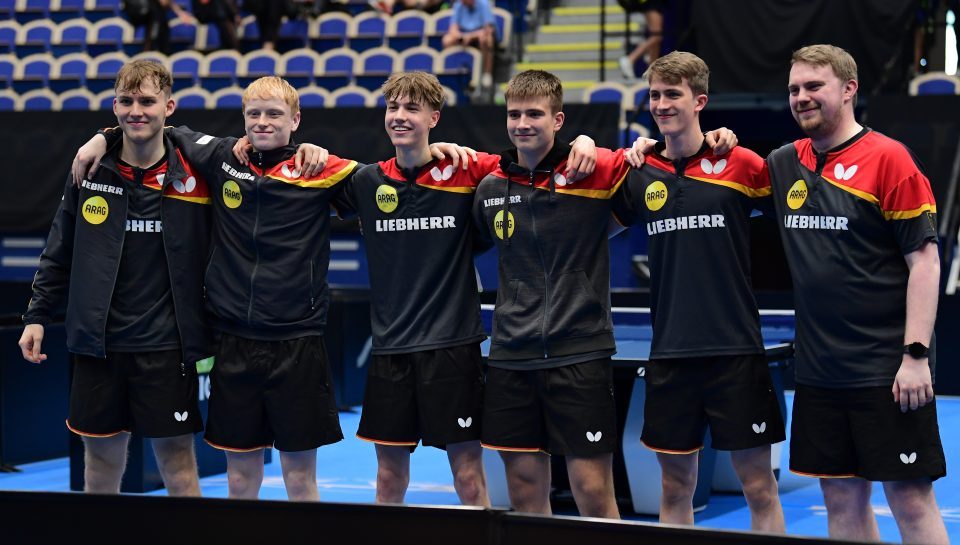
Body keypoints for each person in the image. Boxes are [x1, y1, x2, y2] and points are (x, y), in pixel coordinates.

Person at [73, 76, 476, 501]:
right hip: (233, 342)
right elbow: (161, 128)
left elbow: (397, 178)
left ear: (296, 120)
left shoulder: (321, 170)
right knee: (239, 479)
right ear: (243, 118)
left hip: (297, 343)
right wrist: (105, 137)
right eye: (254, 114)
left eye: (274, 114)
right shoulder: (223, 158)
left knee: (300, 479)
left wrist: (436, 154)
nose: (263, 122)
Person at [319, 71, 598, 506]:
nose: (400, 116)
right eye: (393, 107)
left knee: (468, 478)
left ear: (434, 117)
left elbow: (534, 157)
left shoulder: (470, 170)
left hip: (454, 348)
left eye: (412, 108)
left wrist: (583, 142)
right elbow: (296, 166)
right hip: (391, 350)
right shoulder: (365, 181)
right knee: (389, 479)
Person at [765, 44, 947, 544]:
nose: (801, 97)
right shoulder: (784, 163)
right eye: (794, 89)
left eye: (813, 86)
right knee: (840, 498)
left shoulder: (889, 159)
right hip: (820, 372)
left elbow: (925, 263)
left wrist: (915, 355)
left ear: (848, 90)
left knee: (910, 499)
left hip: (885, 369)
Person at [18, 60, 211, 496]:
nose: (136, 110)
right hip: (98, 343)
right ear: (114, 106)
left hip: (167, 346)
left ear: (169, 106)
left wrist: (101, 136)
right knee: (100, 461)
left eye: (147, 101)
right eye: (126, 101)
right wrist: (36, 316)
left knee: (178, 463)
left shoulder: (195, 174)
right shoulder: (90, 172)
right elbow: (58, 248)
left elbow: (243, 148)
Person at [611, 51, 786, 531]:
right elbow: (593, 227)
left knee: (759, 487)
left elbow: (795, 225)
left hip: (737, 351)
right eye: (655, 95)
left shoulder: (741, 162)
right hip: (671, 354)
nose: (662, 104)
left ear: (699, 100)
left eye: (673, 94)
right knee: (674, 487)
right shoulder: (641, 171)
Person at [471, 70, 630, 519]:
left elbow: (645, 161)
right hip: (510, 355)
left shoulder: (592, 173)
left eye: (535, 114)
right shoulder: (489, 189)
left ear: (557, 119)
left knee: (593, 492)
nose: (523, 122)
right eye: (514, 113)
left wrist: (590, 144)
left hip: (579, 350)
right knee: (523, 492)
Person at [441, 0, 497, 94]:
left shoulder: (484, 3)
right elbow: (453, 29)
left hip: (479, 35)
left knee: (486, 39)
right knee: (447, 40)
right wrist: (461, 36)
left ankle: (486, 73)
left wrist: (470, 36)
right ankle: (452, 72)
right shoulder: (459, 5)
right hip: (464, 35)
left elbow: (488, 29)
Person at [617, 0, 662, 82]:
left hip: (652, 4)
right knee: (657, 36)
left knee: (656, 39)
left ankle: (651, 73)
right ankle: (630, 59)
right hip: (651, 3)